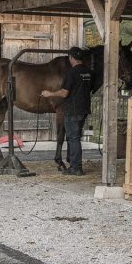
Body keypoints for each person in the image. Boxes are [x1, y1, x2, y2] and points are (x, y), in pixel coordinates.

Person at [41, 47, 92, 175]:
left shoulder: (71, 73)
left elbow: (64, 93)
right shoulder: (88, 72)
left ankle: (76, 168)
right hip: (84, 109)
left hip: (72, 110)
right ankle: (75, 164)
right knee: (76, 138)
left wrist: (49, 93)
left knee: (73, 138)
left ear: (71, 58)